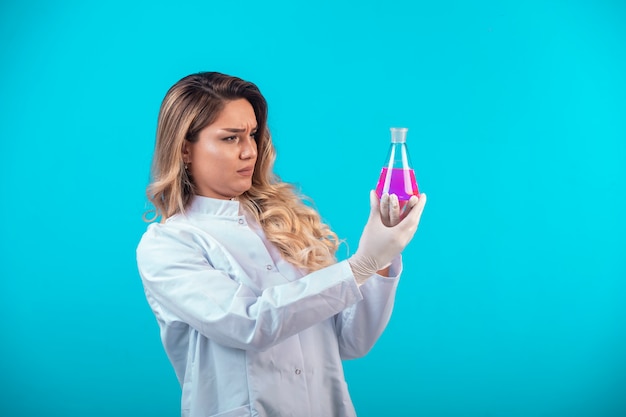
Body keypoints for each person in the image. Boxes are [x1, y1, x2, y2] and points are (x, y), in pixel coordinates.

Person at [136, 71, 427, 417]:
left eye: (253, 135)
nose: (249, 151)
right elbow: (250, 323)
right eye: (230, 138)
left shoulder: (282, 224)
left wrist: (382, 258)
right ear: (185, 149)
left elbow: (352, 340)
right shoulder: (169, 244)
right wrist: (359, 265)